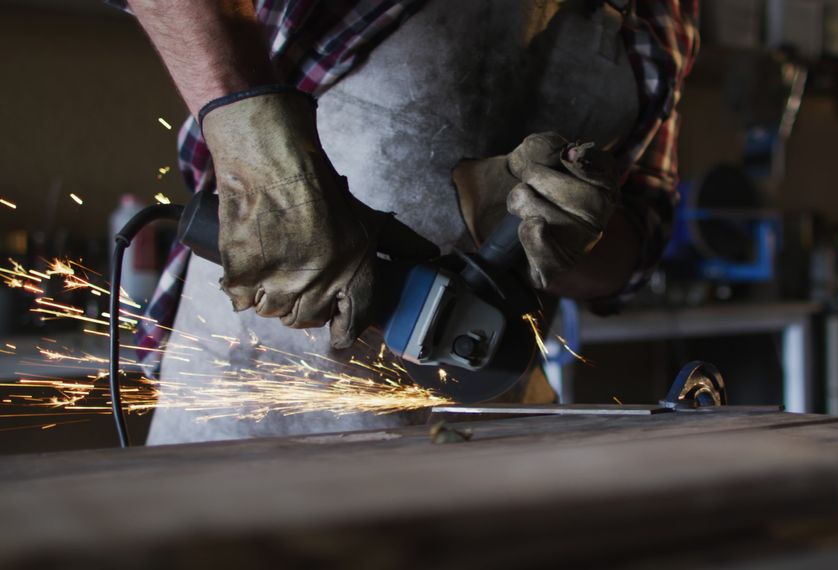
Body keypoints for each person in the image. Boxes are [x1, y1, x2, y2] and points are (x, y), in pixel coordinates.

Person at [112, 0, 698, 444]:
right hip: (249, 397)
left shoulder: (665, 12)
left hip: (481, 406)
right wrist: (257, 152)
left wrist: (566, 234)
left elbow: (638, 244)